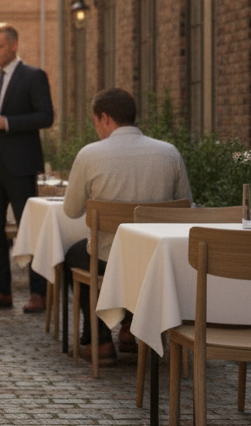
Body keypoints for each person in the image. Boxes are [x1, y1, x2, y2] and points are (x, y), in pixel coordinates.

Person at [63, 87, 191, 365]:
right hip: (156, 260)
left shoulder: (90, 154)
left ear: (105, 118)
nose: (96, 128)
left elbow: (71, 210)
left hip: (107, 259)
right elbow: (186, 209)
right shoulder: (169, 153)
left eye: (95, 121)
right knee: (137, 260)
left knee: (74, 257)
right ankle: (130, 331)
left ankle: (100, 339)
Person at [0, 22, 54, 312]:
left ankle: (38, 293)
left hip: (20, 164)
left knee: (28, 228)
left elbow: (46, 116)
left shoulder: (33, 76)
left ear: (14, 45)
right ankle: (1, 290)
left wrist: (6, 122)